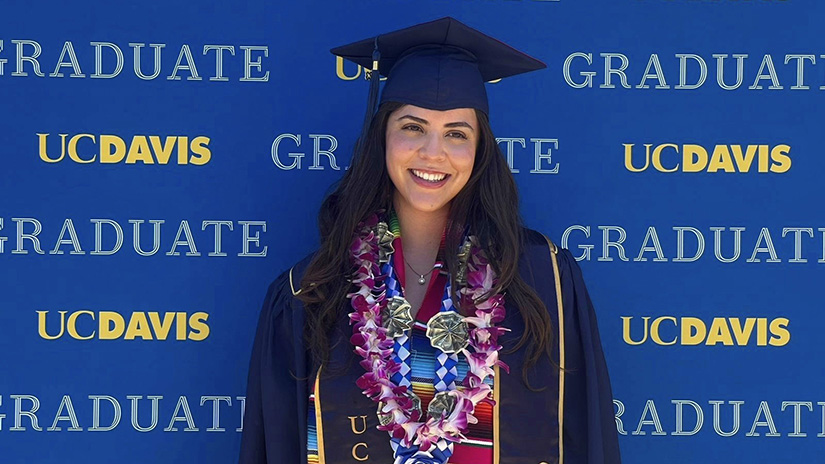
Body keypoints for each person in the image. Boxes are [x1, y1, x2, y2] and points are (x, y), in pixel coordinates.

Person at [239, 17, 621, 464]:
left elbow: (585, 440)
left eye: (457, 133)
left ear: (480, 150)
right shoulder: (310, 292)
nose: (433, 152)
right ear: (383, 135)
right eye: (413, 127)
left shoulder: (545, 280)